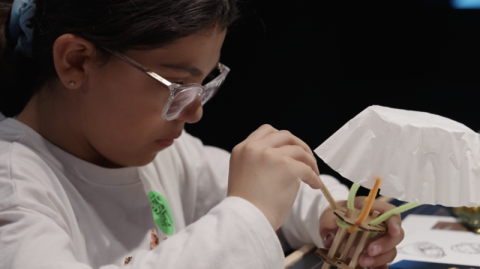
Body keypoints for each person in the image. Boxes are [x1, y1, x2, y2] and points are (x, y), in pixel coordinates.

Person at [0, 0, 404, 268]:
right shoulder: (13, 187)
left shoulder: (161, 156)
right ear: (77, 61)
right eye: (177, 85)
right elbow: (251, 209)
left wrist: (333, 218)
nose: (195, 112)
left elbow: (280, 194)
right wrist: (249, 214)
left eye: (205, 86)